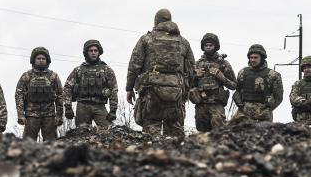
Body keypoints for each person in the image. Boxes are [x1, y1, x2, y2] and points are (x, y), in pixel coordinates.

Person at [126, 8, 195, 137]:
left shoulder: (146, 39)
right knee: (175, 132)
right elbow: (191, 69)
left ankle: (153, 155)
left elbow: (134, 65)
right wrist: (185, 90)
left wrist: (129, 88)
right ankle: (176, 154)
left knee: (151, 131)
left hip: (151, 92)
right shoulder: (183, 42)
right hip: (176, 93)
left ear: (156, 21)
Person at [64, 39, 118, 129]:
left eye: (95, 50)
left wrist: (113, 110)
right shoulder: (78, 70)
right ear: (86, 53)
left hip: (99, 106)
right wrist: (68, 107)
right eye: (91, 51)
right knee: (81, 133)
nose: (93, 53)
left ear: (99, 52)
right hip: (82, 106)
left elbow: (113, 89)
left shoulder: (107, 70)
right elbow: (67, 87)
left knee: (108, 131)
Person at [189, 33, 236, 132]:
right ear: (203, 47)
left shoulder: (223, 63)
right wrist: (195, 76)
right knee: (202, 134)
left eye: (211, 45)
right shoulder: (197, 64)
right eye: (206, 45)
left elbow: (234, 85)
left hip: (216, 105)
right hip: (201, 105)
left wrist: (222, 78)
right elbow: (189, 85)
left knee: (219, 132)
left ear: (216, 46)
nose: (208, 47)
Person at [15, 47, 64, 141]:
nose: (41, 60)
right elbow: (19, 95)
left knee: (51, 143)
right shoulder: (27, 76)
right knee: (28, 144)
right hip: (31, 115)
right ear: (33, 60)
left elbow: (60, 95)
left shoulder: (53, 76)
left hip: (49, 115)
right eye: (38, 58)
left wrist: (59, 115)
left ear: (47, 60)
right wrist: (20, 114)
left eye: (43, 58)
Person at [231, 44, 284, 122]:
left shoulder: (273, 75)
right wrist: (240, 104)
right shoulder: (242, 72)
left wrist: (268, 109)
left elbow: (278, 97)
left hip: (263, 116)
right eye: (251, 57)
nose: (252, 60)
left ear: (262, 58)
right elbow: (237, 91)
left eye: (255, 57)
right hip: (243, 114)